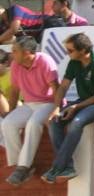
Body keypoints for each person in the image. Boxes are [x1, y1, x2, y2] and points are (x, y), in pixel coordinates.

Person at [40, 32, 94, 183]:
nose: (67, 53)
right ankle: (68, 168)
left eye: (70, 50)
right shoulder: (74, 62)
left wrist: (76, 107)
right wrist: (56, 108)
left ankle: (57, 167)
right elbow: (63, 86)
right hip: (83, 101)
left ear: (84, 50)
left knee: (76, 122)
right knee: (54, 121)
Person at [1, 35, 58, 186]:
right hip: (29, 104)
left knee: (33, 123)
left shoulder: (44, 60)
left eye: (15, 51)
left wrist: (57, 108)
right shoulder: (16, 64)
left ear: (26, 52)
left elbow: (56, 88)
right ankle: (22, 165)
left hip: (49, 103)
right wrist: (11, 112)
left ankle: (23, 166)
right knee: (7, 123)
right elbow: (14, 91)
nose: (11, 54)